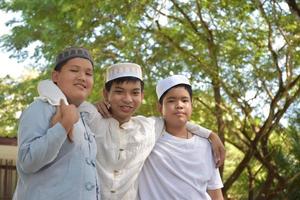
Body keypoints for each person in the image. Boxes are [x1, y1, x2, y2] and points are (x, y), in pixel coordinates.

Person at [38, 63, 225, 200]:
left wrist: (210, 134)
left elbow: (176, 119)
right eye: (119, 91)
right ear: (106, 94)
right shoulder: (89, 115)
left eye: (135, 93)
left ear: (142, 97)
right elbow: (48, 89)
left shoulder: (149, 127)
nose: (127, 99)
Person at [13, 47, 100, 200]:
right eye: (74, 70)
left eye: (88, 73)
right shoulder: (41, 107)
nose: (82, 77)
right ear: (55, 76)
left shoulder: (83, 118)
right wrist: (63, 126)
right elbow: (27, 160)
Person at [138, 75, 224, 200]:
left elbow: (215, 192)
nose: (179, 105)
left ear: (191, 105)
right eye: (171, 101)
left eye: (185, 100)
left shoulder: (206, 145)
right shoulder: (148, 139)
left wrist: (211, 135)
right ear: (160, 107)